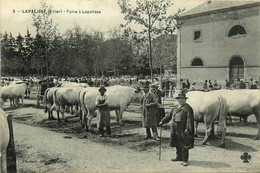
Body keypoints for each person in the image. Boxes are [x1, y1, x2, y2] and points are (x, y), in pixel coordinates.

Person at [159, 93, 194, 166]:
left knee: (184, 144)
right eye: (179, 99)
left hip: (183, 129)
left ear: (185, 100)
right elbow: (169, 116)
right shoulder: (176, 107)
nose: (181, 100)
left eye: (182, 99)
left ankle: (185, 160)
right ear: (177, 100)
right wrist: (162, 121)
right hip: (175, 128)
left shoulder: (187, 108)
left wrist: (188, 128)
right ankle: (179, 157)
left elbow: (189, 119)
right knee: (177, 143)